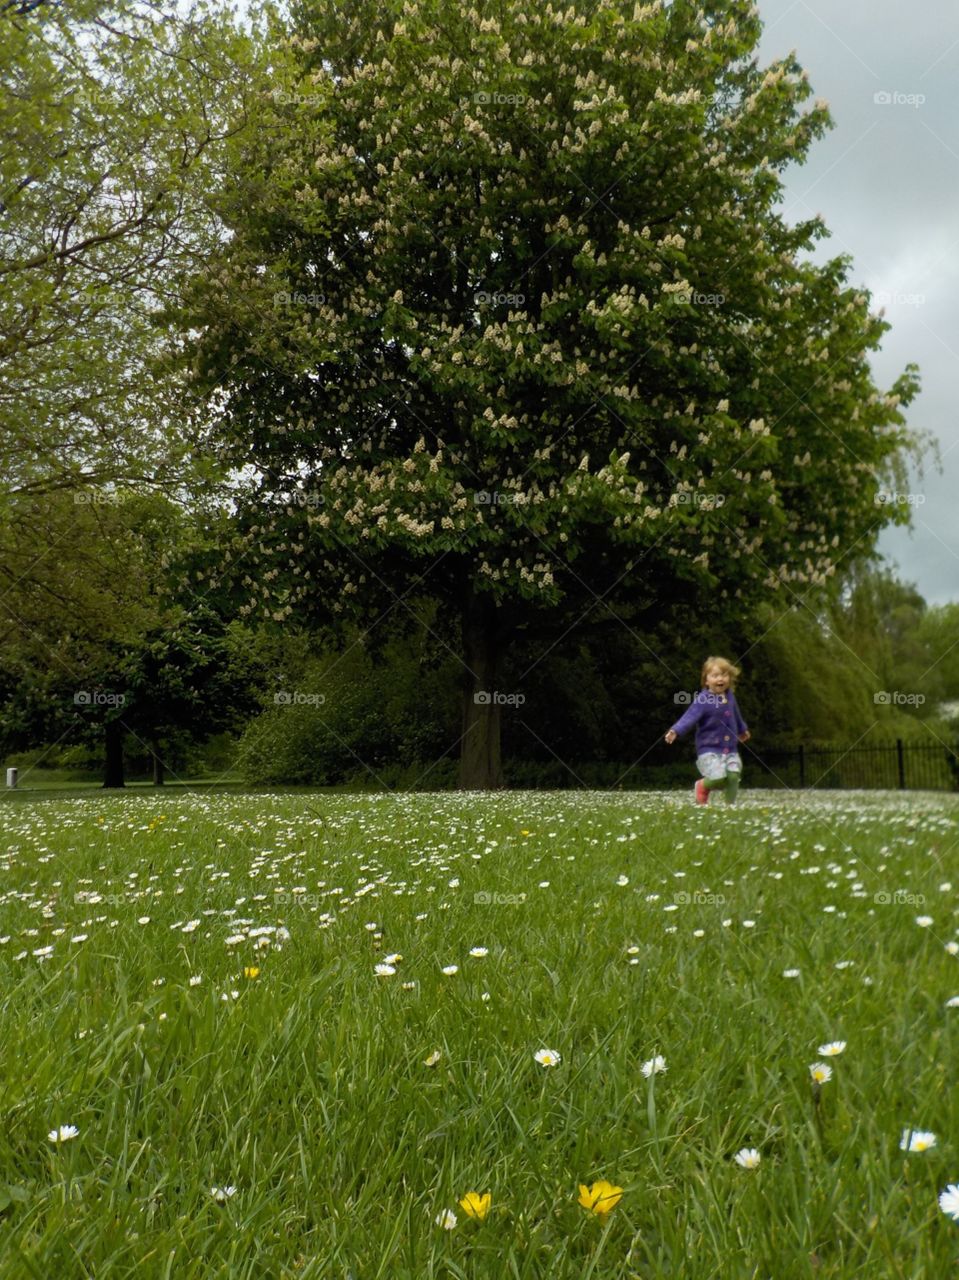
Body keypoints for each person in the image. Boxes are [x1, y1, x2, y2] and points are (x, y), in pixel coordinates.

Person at [664, 656, 750, 804]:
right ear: (706, 680)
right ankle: (702, 786)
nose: (720, 679)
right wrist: (675, 730)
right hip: (709, 748)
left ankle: (729, 808)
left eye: (724, 675)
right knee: (717, 777)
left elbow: (736, 715)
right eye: (715, 675)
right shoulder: (703, 700)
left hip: (730, 749)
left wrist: (742, 730)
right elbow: (689, 717)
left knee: (733, 776)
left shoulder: (730, 697)